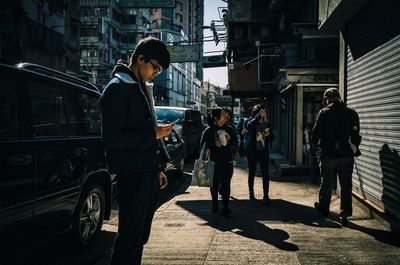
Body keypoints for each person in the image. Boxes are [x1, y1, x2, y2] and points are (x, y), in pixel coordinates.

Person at [99, 36, 172, 265]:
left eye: (158, 71)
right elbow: (113, 138)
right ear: (140, 59)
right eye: (155, 68)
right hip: (131, 175)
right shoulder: (117, 89)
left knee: (140, 237)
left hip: (146, 172)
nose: (155, 74)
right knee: (129, 239)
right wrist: (154, 134)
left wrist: (156, 168)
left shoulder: (138, 88)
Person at [312, 88, 361, 227]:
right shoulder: (351, 113)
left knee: (326, 182)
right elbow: (356, 134)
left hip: (328, 155)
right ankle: (345, 214)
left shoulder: (323, 113)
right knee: (346, 185)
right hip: (346, 155)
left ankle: (324, 208)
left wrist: (316, 149)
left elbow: (315, 134)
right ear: (339, 97)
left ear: (327, 99)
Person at [200, 107, 238, 215]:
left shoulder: (229, 129)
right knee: (214, 185)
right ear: (216, 118)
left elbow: (236, 144)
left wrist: (230, 141)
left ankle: (225, 206)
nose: (225, 116)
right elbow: (202, 145)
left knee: (226, 184)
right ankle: (215, 204)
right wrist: (213, 144)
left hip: (227, 161)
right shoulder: (209, 130)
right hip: (213, 162)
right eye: (222, 114)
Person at [243, 104, 274, 204]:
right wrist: (258, 117)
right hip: (253, 151)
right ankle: (251, 193)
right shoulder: (249, 121)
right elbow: (249, 126)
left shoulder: (267, 123)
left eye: (263, 112)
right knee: (252, 172)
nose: (263, 114)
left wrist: (268, 135)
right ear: (256, 113)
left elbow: (272, 138)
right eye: (261, 112)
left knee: (265, 173)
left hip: (263, 151)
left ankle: (266, 195)